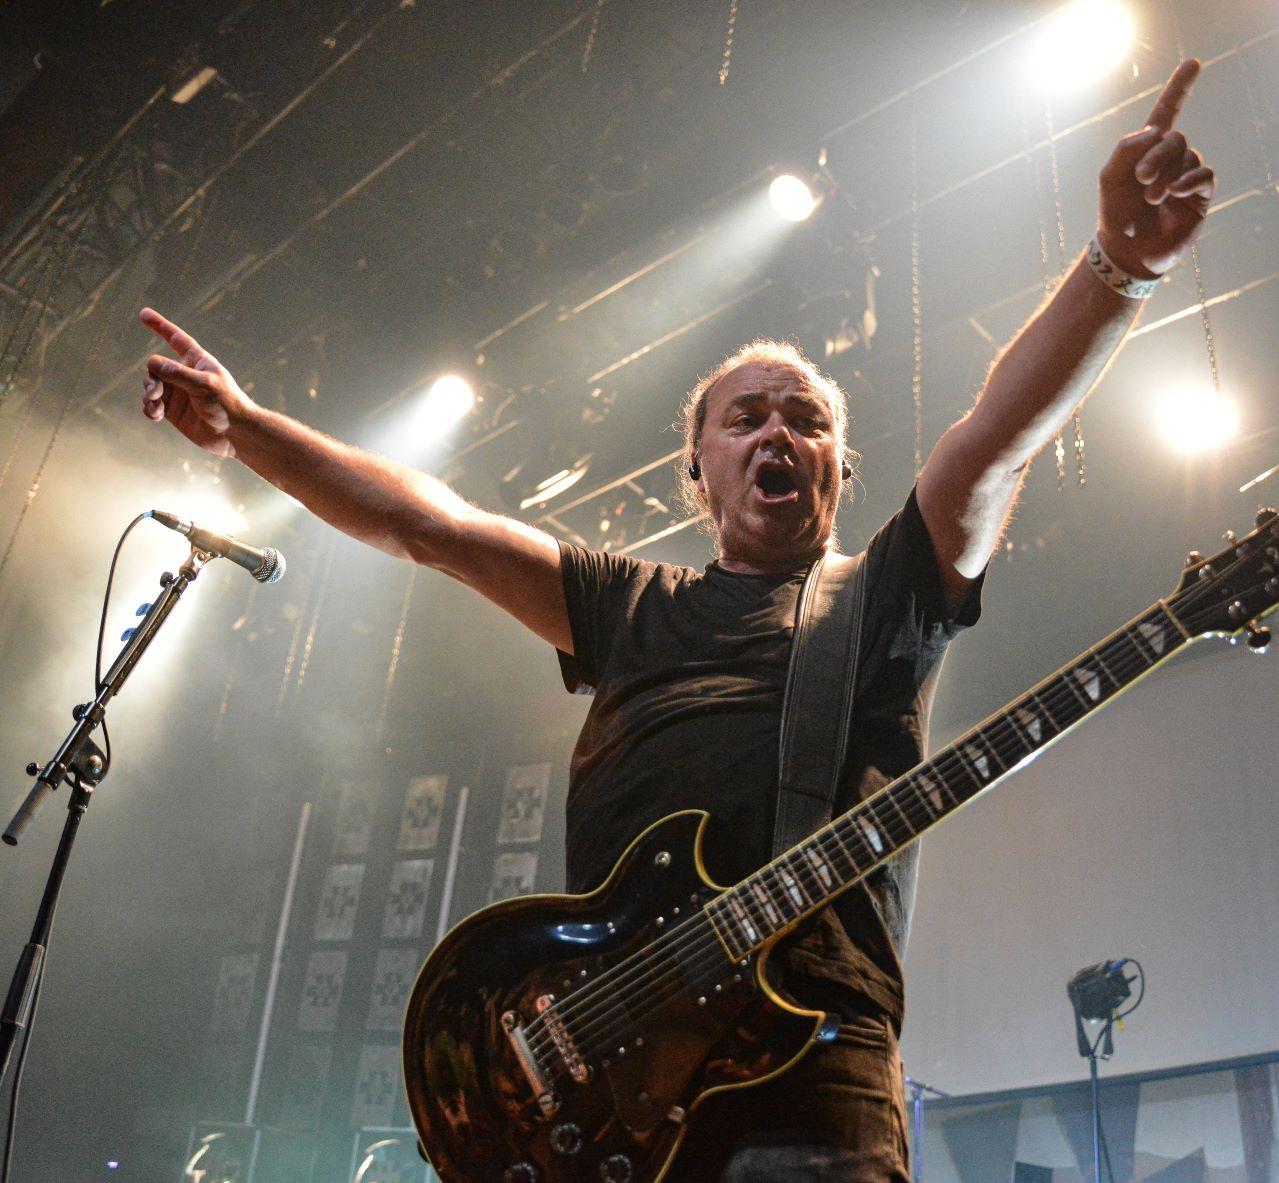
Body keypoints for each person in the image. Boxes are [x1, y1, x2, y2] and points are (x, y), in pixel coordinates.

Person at [139, 59, 1213, 1183]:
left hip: (812, 1083)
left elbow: (994, 437)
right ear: (698, 468)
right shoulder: (626, 604)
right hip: (599, 1090)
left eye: (805, 419)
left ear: (838, 468)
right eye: (744, 418)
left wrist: (1118, 264)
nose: (776, 433)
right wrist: (247, 429)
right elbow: (430, 525)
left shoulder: (884, 595)